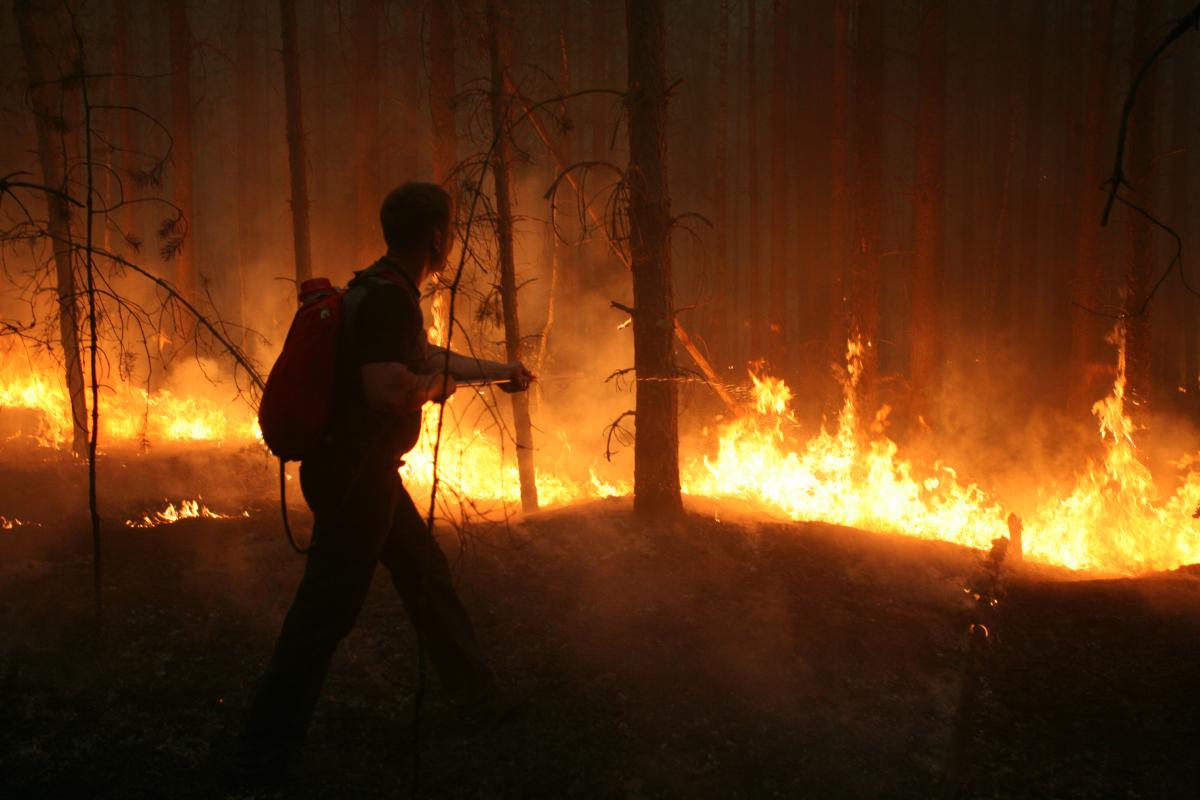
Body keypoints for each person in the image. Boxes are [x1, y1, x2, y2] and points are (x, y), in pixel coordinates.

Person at [236, 182, 532, 776]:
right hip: (354, 479)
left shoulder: (376, 286)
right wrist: (437, 391)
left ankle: (479, 698)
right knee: (326, 612)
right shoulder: (390, 300)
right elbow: (389, 388)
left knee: (425, 573)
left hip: (363, 473)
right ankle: (260, 750)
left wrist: (500, 371)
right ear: (436, 236)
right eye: (447, 229)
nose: (449, 239)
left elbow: (423, 357)